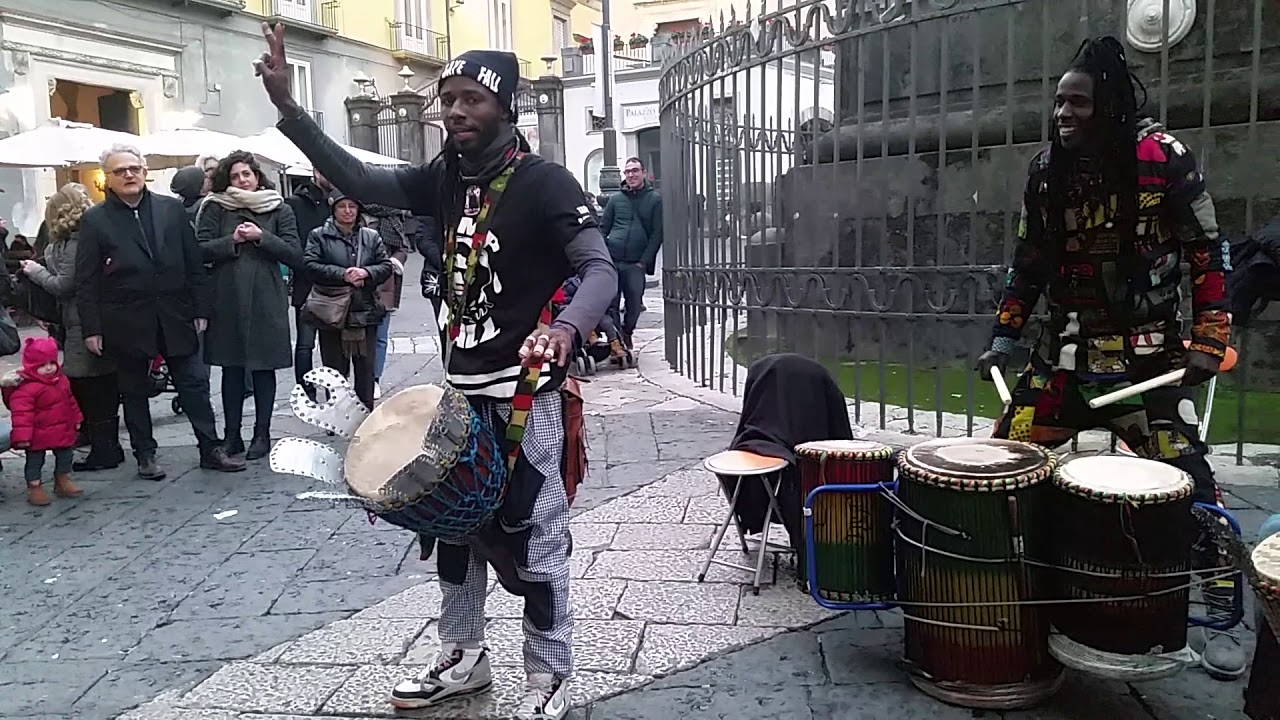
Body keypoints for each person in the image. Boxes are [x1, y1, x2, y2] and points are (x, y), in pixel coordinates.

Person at [258, 24, 616, 719]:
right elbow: (359, 177)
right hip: (458, 399)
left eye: (471, 99)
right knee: (453, 532)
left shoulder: (545, 183)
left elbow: (598, 267)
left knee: (535, 541)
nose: (455, 111)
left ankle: (549, 675)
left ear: (506, 106)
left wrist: (566, 327)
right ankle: (464, 655)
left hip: (526, 398)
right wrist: (290, 110)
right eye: (448, 99)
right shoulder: (444, 177)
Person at [975, 37, 1239, 678]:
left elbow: (1207, 251)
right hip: (1062, 359)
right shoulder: (1046, 170)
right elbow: (1029, 260)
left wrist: (1210, 340)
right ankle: (1007, 587)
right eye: (1059, 102)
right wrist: (1005, 334)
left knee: (1188, 482)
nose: (1063, 114)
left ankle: (1221, 601)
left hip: (1147, 363)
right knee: (1000, 469)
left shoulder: (1163, 158)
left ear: (1111, 105)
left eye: (1078, 103)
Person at [76, 143, 245, 479]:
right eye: (120, 171)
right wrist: (92, 328)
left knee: (194, 385)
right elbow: (87, 278)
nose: (129, 175)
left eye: (134, 169)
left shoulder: (170, 209)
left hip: (175, 314)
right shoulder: (95, 220)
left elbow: (193, 262)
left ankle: (210, 448)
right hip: (126, 319)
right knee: (134, 390)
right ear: (107, 178)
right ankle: (145, 455)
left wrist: (201, 308)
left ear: (144, 172)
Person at [198, 150, 302, 460]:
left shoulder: (279, 207)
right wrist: (231, 241)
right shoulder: (215, 207)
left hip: (266, 297)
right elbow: (199, 249)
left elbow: (294, 253)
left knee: (263, 368)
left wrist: (261, 236)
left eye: (247, 174)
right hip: (226, 298)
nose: (242, 180)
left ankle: (262, 434)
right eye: (235, 176)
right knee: (230, 368)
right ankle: (232, 436)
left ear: (257, 176)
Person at [20, 184, 125, 472]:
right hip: (85, 320)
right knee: (97, 381)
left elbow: (64, 285)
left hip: (82, 321)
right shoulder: (87, 238)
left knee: (89, 382)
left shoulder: (74, 244)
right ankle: (105, 444)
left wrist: (36, 271)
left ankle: (104, 448)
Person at [302, 191, 392, 410]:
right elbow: (310, 265)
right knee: (334, 369)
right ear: (333, 209)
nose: (348, 211)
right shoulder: (319, 235)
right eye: (342, 206)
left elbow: (385, 265)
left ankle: (365, 413)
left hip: (365, 308)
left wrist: (366, 273)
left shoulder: (371, 236)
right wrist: (342, 274)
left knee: (365, 369)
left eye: (352, 206)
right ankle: (337, 412)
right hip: (332, 309)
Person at [1, 337, 83, 505]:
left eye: (52, 363)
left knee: (66, 455)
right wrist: (22, 437)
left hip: (61, 428)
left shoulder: (61, 381)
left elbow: (70, 401)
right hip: (37, 433)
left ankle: (63, 479)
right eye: (42, 365)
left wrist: (77, 418)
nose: (49, 368)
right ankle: (34, 486)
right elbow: (21, 415)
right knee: (35, 461)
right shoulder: (25, 389)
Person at [601, 157, 662, 349]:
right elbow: (603, 227)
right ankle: (617, 340)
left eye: (635, 171)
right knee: (611, 303)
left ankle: (627, 331)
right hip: (613, 260)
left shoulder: (654, 200)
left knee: (634, 303)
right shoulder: (615, 199)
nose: (631, 175)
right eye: (627, 171)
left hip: (636, 262)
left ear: (644, 173)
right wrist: (603, 254)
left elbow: (657, 234)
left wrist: (643, 262)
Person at [285, 169, 332, 399]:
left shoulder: (336, 202)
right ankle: (306, 391)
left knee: (332, 345)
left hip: (333, 284)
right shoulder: (295, 204)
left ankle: (333, 391)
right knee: (306, 343)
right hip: (306, 282)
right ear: (315, 171)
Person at [362, 202, 411, 400]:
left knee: (380, 336)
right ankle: (355, 378)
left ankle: (374, 379)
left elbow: (402, 248)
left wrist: (391, 263)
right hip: (355, 282)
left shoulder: (392, 216)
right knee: (354, 337)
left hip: (384, 282)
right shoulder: (354, 213)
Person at [171, 165, 210, 229]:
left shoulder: (179, 207)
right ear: (201, 191)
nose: (209, 176)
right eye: (205, 177)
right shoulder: (206, 207)